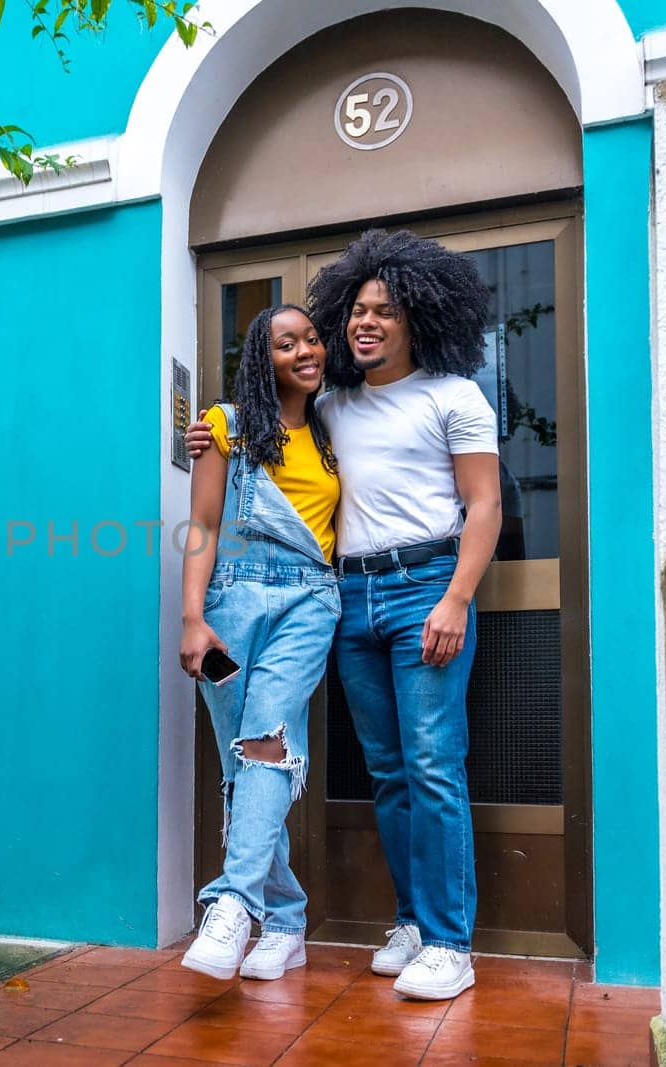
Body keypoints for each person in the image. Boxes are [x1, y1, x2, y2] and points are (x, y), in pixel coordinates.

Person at [185, 230, 502, 1001]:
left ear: (416, 318)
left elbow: (485, 503)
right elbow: (257, 424)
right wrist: (207, 432)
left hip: (420, 585)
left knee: (427, 762)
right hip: (336, 599)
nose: (364, 323)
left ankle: (450, 941)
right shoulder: (326, 406)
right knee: (381, 769)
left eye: (384, 311)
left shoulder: (454, 395)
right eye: (356, 310)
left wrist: (456, 596)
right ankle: (401, 923)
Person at [178, 304, 341, 981]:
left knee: (269, 738)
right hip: (229, 604)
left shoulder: (337, 429)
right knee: (241, 763)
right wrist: (192, 616)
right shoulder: (226, 424)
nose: (304, 350)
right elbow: (203, 526)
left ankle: (233, 903)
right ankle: (285, 918)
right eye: (285, 343)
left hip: (310, 599)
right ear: (260, 357)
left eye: (310, 338)